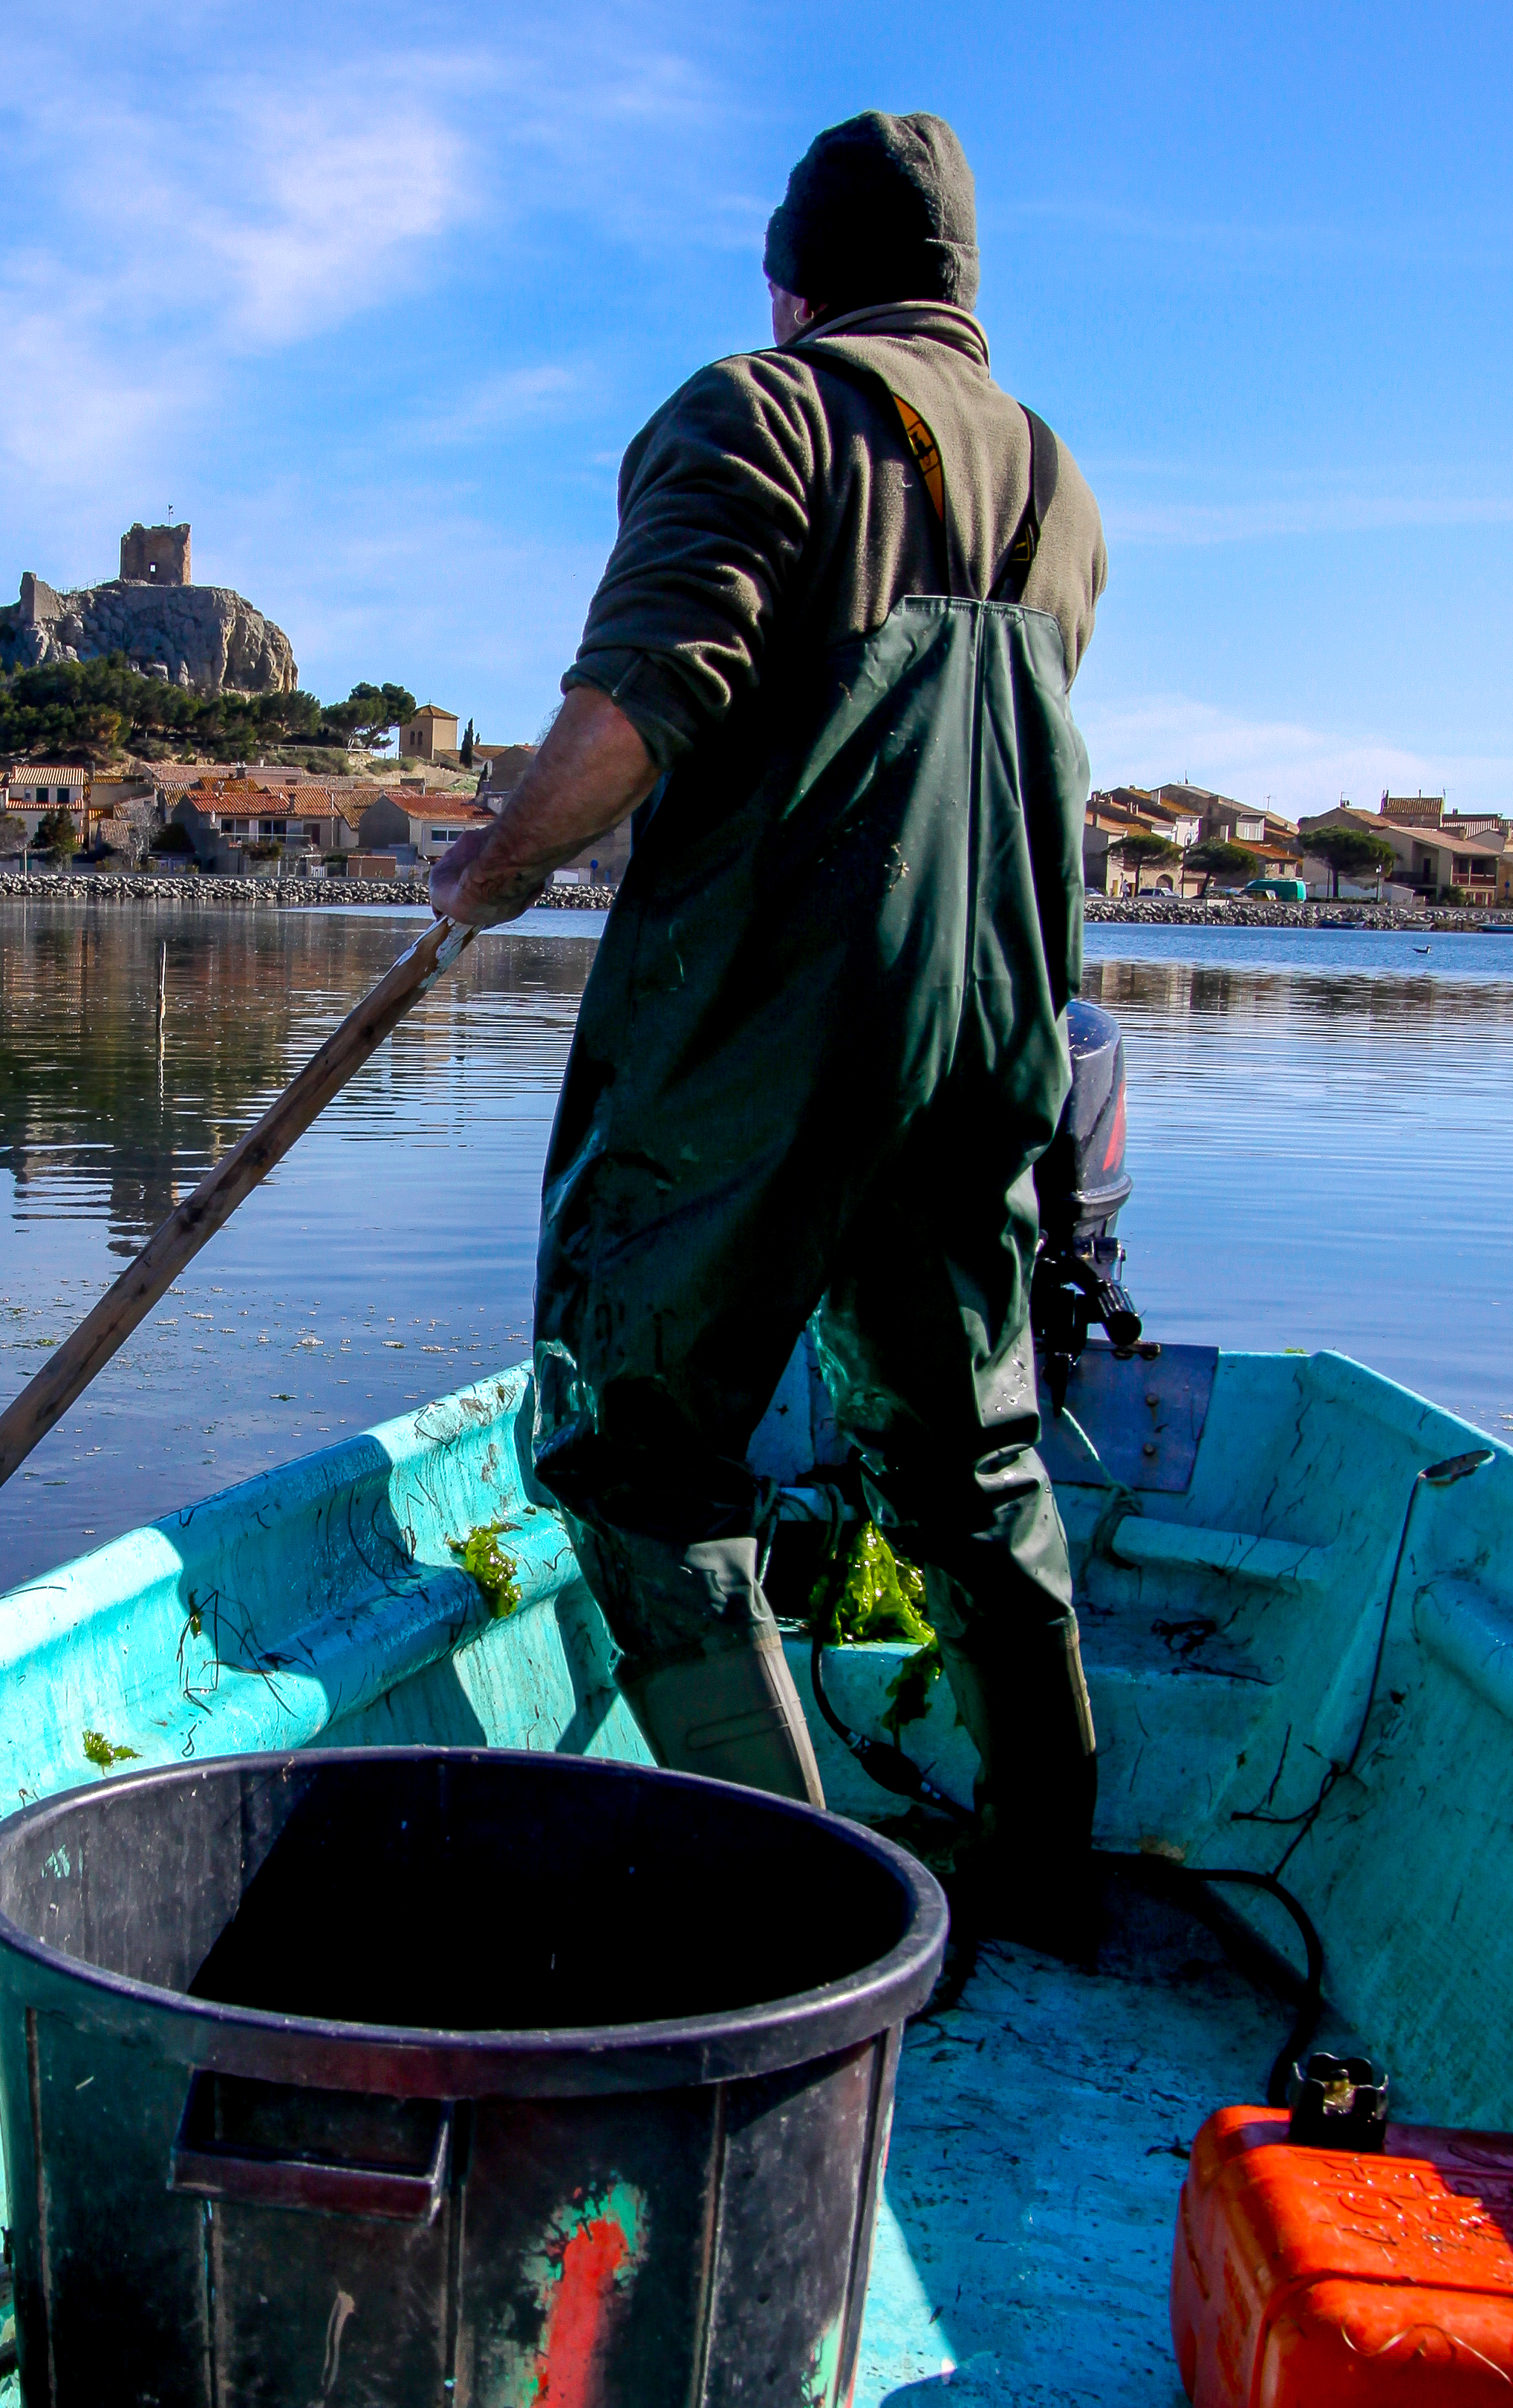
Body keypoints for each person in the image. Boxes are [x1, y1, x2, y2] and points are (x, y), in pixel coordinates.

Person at [429, 110, 1107, 1939]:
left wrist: (491, 867)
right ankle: (1047, 1870)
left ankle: (813, 1918)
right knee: (966, 1454)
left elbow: (645, 702)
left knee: (633, 1451)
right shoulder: (1059, 484)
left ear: (794, 281)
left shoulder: (766, 409)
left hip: (768, 1044)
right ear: (961, 288)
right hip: (991, 1039)